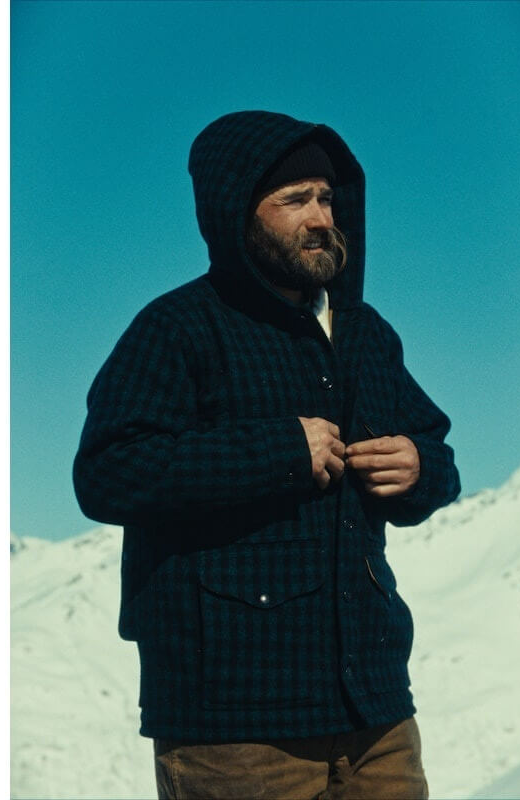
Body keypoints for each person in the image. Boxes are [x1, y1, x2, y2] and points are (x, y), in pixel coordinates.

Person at [73, 110, 460, 800]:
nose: (320, 218)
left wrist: (419, 468)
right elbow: (109, 472)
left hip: (375, 715)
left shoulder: (366, 334)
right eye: (295, 200)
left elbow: (438, 454)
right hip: (233, 729)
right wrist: (278, 450)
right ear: (236, 214)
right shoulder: (177, 327)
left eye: (327, 198)